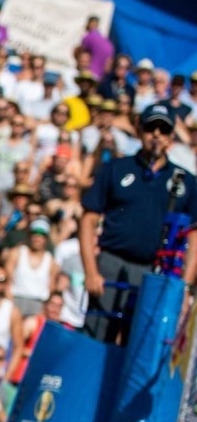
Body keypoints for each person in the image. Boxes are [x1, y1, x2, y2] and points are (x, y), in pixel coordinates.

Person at [80, 103, 197, 343]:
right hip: (110, 265)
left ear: (171, 137)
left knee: (141, 345)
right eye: (150, 127)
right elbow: (88, 220)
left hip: (155, 272)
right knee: (96, 339)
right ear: (138, 130)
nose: (156, 135)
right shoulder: (116, 168)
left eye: (163, 130)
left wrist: (183, 287)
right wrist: (91, 271)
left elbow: (194, 237)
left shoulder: (186, 181)